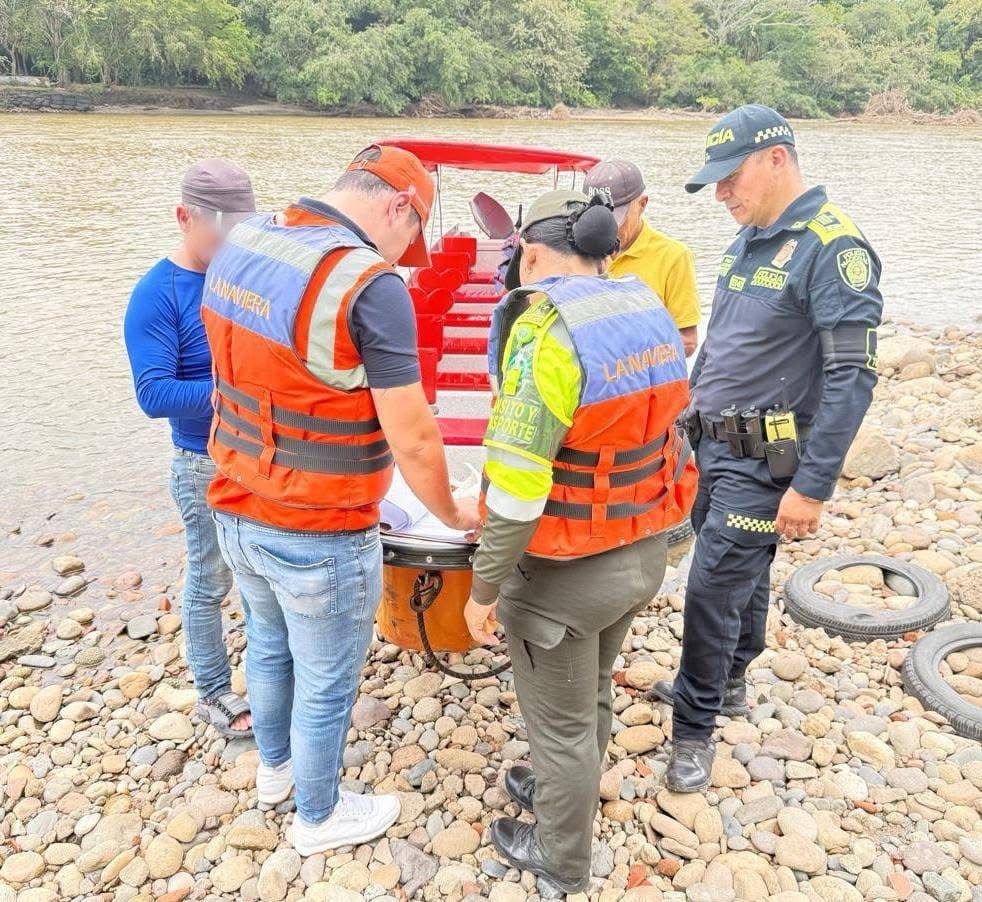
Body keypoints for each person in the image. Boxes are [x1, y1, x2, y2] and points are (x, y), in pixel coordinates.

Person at [200, 145, 481, 856]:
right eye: (411, 236)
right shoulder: (367, 283)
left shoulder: (248, 240)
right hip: (319, 523)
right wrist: (451, 514)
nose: (407, 253)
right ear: (397, 208)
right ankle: (319, 817)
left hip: (235, 500)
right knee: (327, 678)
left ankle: (275, 772)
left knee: (266, 643)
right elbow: (414, 437)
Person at [463, 190, 697, 894]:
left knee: (558, 727)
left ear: (530, 254)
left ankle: (561, 859)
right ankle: (566, 793)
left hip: (566, 576)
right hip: (643, 551)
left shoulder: (546, 335)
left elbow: (518, 489)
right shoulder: (643, 306)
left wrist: (482, 590)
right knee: (590, 691)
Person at [651, 104, 883, 792]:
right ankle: (728, 683)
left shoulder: (832, 249)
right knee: (742, 575)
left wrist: (811, 487)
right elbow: (722, 347)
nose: (721, 192)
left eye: (730, 177)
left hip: (767, 457)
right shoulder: (747, 241)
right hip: (711, 448)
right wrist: (683, 418)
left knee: (710, 590)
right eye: (714, 182)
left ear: (776, 159)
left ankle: (693, 731)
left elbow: (851, 376)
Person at [123, 159, 257, 738]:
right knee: (208, 580)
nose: (232, 243)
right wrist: (242, 391)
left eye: (241, 230)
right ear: (184, 217)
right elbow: (155, 394)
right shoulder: (157, 293)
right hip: (201, 460)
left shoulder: (245, 275)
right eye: (221, 231)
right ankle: (213, 692)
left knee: (260, 574)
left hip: (257, 456)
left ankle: (268, 677)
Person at [584, 159, 701, 356]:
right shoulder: (579, 251)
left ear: (642, 204)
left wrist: (624, 347)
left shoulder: (674, 256)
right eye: (599, 219)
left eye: (616, 219)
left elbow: (688, 342)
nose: (609, 230)